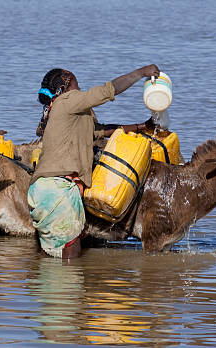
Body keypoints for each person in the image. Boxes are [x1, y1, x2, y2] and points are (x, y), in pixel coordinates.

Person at [28, 65, 160, 259]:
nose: (79, 87)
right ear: (64, 85)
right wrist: (141, 73)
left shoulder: (64, 114)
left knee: (50, 256)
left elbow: (102, 131)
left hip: (44, 191)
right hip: (58, 192)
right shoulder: (67, 100)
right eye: (76, 82)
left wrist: (142, 126)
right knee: (71, 259)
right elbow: (107, 91)